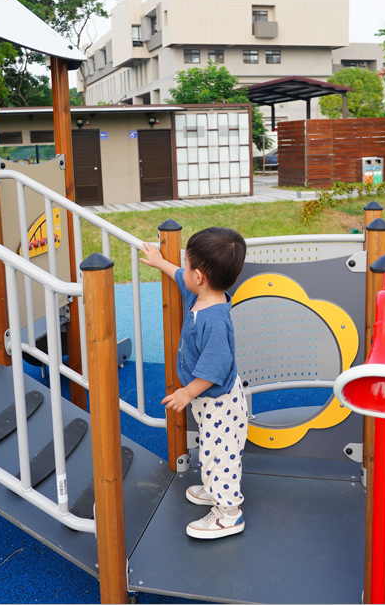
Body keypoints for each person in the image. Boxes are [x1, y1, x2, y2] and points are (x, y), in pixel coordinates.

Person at [140, 227, 248, 539]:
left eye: (186, 265)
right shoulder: (199, 296)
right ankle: (215, 489)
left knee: (220, 454)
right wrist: (160, 262)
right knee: (211, 448)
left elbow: (218, 365)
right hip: (209, 401)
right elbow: (179, 276)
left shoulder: (213, 319)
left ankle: (228, 512)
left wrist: (187, 392)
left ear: (199, 275)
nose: (182, 269)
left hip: (219, 403)